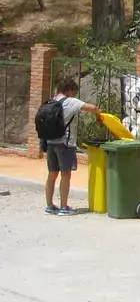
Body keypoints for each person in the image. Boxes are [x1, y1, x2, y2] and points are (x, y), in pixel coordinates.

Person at [40, 79, 100, 215]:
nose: (74, 94)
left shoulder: (52, 101)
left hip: (50, 142)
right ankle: (63, 207)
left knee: (52, 174)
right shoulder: (70, 101)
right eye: (74, 91)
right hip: (65, 144)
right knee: (66, 175)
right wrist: (99, 114)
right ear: (69, 89)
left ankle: (50, 206)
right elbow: (92, 108)